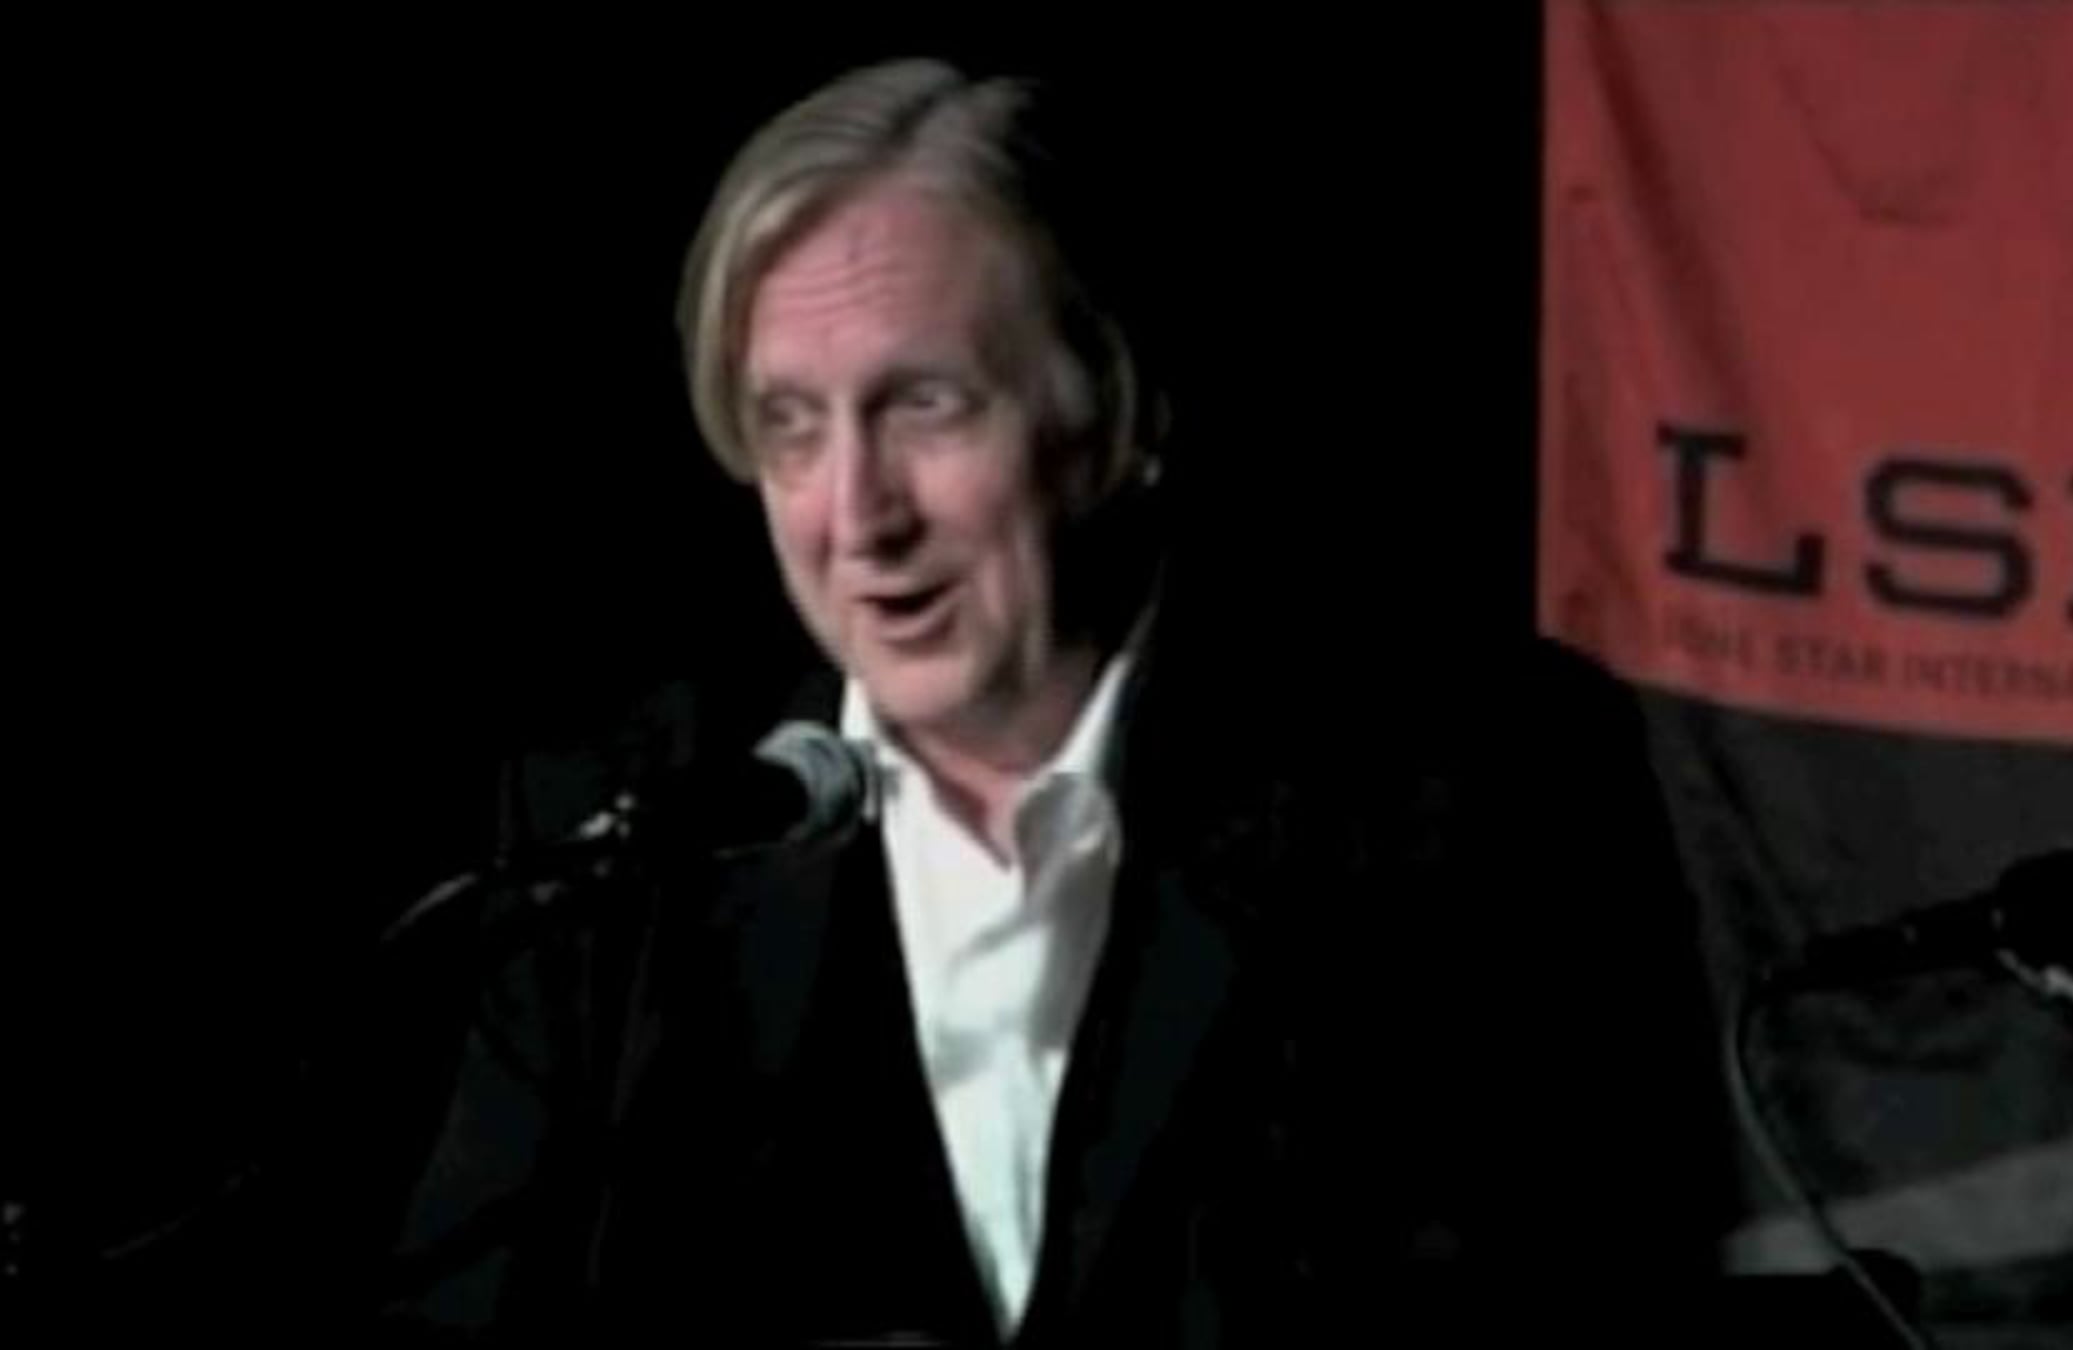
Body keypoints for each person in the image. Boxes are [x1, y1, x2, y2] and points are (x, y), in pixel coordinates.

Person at [374, 56, 1722, 1347]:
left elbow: (1590, 1289)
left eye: (927, 406)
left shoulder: (1481, 791)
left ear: (1120, 412)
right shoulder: (625, 845)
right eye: (791, 426)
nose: (857, 516)